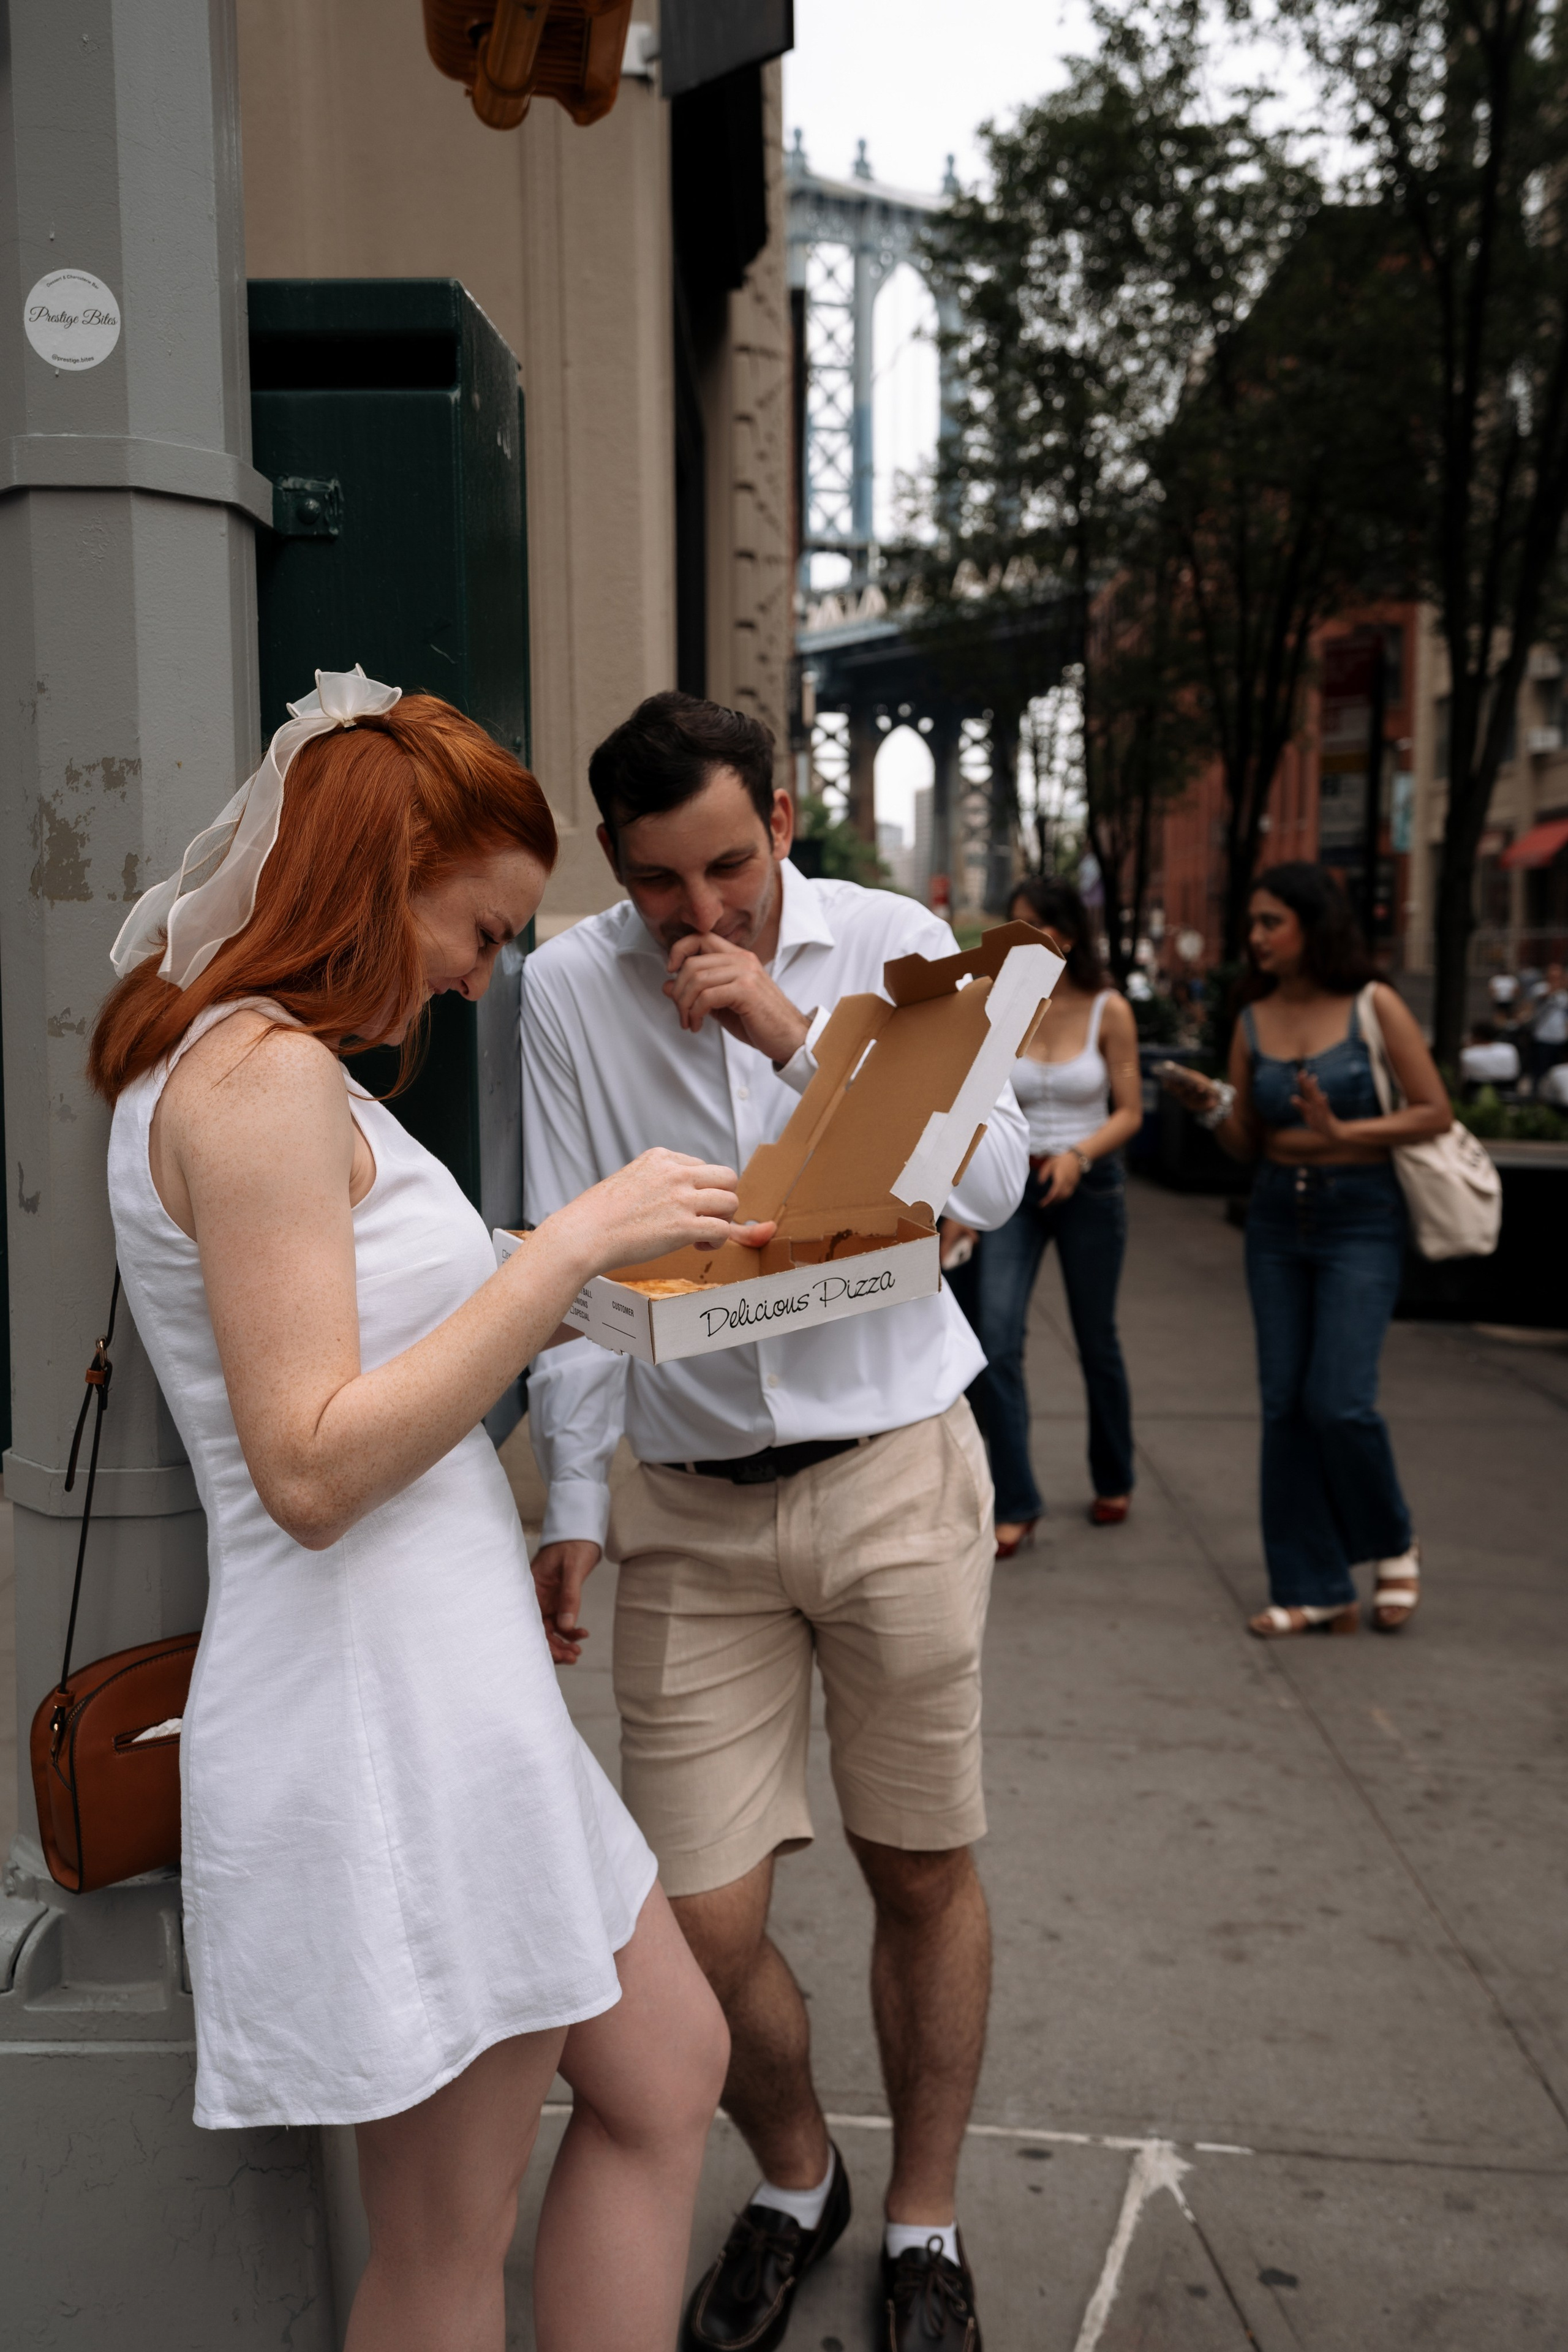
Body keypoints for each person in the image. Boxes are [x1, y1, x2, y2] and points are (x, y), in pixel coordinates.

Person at [89, 673, 740, 2352]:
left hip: (455, 1693)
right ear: (382, 878)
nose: (480, 972)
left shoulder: (280, 1072)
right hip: (386, 1716)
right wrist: (566, 1248)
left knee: (669, 2068)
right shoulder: (254, 1084)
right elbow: (309, 1468)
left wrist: (607, 1285)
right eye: (481, 927)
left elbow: (406, 1351)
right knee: (446, 2250)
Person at [520, 692, 1031, 2352]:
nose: (702, 912)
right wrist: (573, 1502)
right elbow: (573, 1259)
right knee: (697, 1919)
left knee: (919, 1865)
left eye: (729, 865)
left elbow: (995, 1182)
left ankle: (926, 2222)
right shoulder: (563, 988)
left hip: (893, 1470)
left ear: (782, 823)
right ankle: (799, 2176)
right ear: (615, 864)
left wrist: (799, 1040)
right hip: (687, 1505)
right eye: (660, 881)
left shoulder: (890, 945)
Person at [1159, 863, 1450, 1638]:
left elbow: (1433, 1110)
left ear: (1312, 926)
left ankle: (1392, 1539)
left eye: (1271, 922)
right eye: (1252, 922)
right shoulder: (1251, 1018)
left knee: (1339, 1401)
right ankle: (1313, 1586)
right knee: (1284, 1405)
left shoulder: (1371, 1004)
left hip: (1360, 1216)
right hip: (1276, 1221)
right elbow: (1247, 1143)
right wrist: (1210, 1107)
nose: (1255, 937)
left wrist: (1343, 1131)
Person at [947, 877, 1142, 1554]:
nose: (1019, 938)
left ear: (1068, 935)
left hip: (1090, 1185)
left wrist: (1079, 1157)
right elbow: (975, 1110)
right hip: (1017, 1190)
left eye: (1033, 925)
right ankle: (1017, 1501)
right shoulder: (1001, 1008)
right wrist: (962, 1208)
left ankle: (1114, 1475)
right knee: (997, 1341)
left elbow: (1130, 1112)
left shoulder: (1110, 1010)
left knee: (1096, 1339)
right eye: (1013, 924)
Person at [1526, 961, 1568, 1088]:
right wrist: (1555, 988)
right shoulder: (1540, 988)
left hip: (1560, 1037)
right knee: (1540, 1069)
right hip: (1543, 1035)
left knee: (1556, 1070)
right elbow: (1539, 1000)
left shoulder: (1564, 993)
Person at [1458, 1020, 1521, 1093]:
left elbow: (1465, 1076)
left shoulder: (1467, 1053)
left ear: (1477, 1036)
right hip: (1509, 1087)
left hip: (1477, 1089)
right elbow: (1515, 1071)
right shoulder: (1509, 1049)